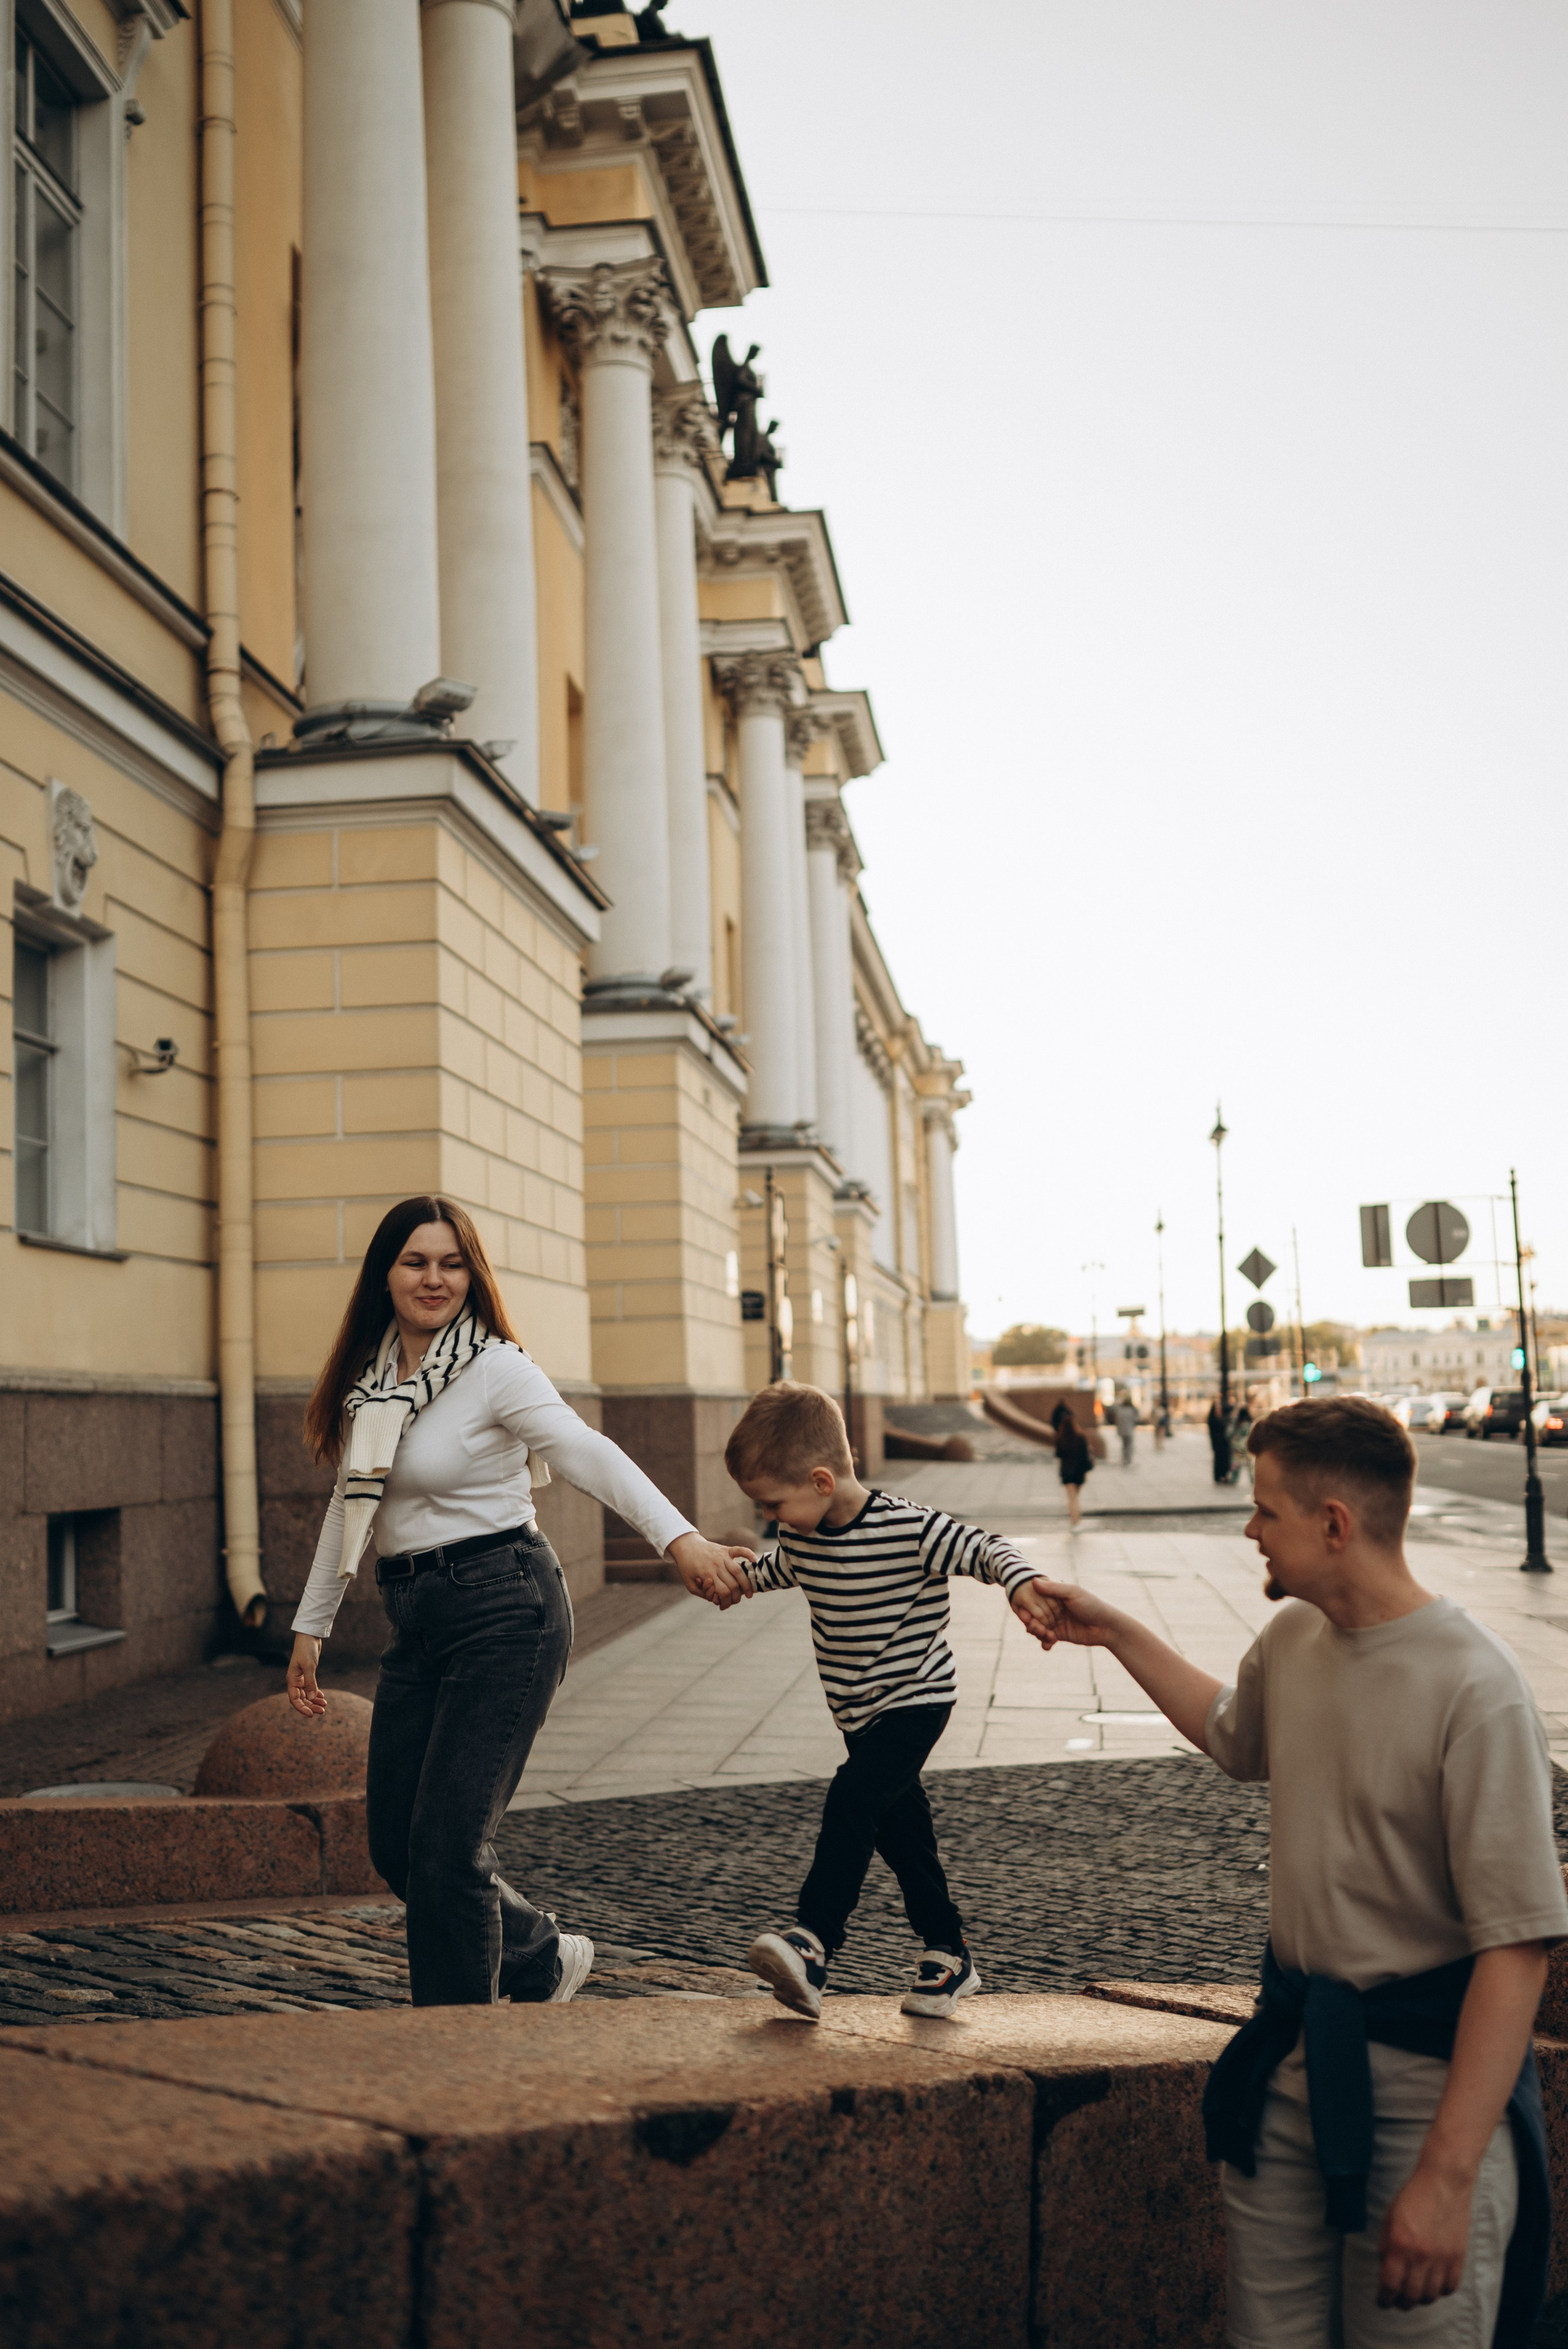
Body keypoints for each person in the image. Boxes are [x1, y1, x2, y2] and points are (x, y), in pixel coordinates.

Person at [1016, 1397, 1567, 2347]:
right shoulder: (1294, 1638)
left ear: (1335, 1523)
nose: (1250, 1527)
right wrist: (1115, 1631)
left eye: (1266, 1508)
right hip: (1290, 2070)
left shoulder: (1474, 1685)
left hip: (1423, 2096)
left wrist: (1446, 2175)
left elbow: (1516, 1951)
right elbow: (1235, 1732)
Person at [285, 1195, 751, 2009]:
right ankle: (536, 1956)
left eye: (451, 1261)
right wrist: (310, 1624)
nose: (434, 1277)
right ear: (385, 1273)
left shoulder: (495, 1366)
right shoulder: (373, 1379)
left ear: (472, 1273)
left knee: (446, 1848)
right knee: (398, 1846)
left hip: (507, 1611)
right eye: (416, 1260)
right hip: (417, 1618)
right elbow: (348, 1505)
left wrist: (681, 1540)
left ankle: (460, 2052)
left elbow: (584, 1449)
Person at [718, 1381, 1039, 2023]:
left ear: (819, 1479)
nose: (771, 1519)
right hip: (858, 1713)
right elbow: (773, 1569)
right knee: (904, 1835)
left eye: (772, 1503)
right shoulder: (805, 1537)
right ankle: (949, 1952)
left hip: (917, 1697)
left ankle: (813, 1942)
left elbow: (988, 1546)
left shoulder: (909, 1527)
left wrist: (1022, 1583)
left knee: (853, 1798)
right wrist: (731, 1578)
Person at [1055, 1402, 1092, 1528]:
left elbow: (1059, 1454)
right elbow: (1085, 1455)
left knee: (1072, 1499)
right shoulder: (1081, 1437)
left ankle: (1074, 1522)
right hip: (1079, 1472)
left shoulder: (1061, 1439)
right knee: (1076, 1498)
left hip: (1067, 1472)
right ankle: (1077, 1521)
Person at [1207, 1395, 1233, 1485]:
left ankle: (1224, 1476)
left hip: (1224, 1443)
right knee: (1219, 1460)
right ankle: (1219, 1477)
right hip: (1218, 1443)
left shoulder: (1222, 1418)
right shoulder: (1213, 1419)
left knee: (1225, 1460)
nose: (1219, 1409)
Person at [1114, 1392, 1137, 1468]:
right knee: (1129, 1446)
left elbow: (1117, 1422)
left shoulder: (1120, 1411)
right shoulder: (1131, 1411)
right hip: (1129, 1430)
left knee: (1124, 1445)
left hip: (1122, 1431)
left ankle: (1124, 1459)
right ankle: (1128, 1460)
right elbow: (1135, 1420)